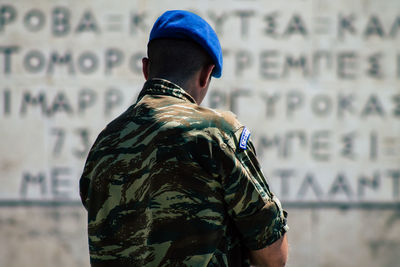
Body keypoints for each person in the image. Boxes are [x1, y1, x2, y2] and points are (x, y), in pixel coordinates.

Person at [80, 10, 288, 267]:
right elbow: (273, 256)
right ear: (206, 74)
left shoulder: (104, 144)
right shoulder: (217, 133)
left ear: (146, 69)